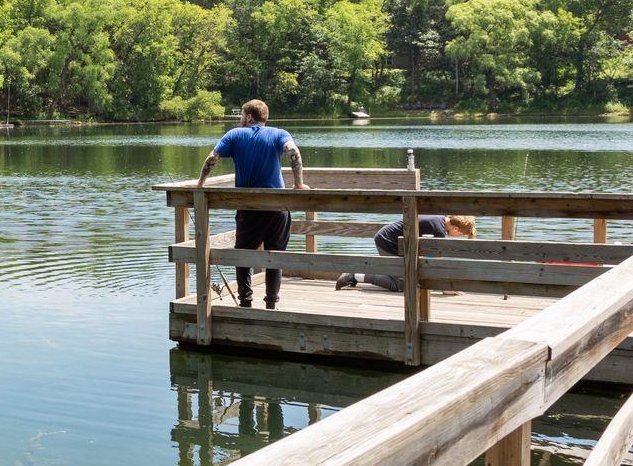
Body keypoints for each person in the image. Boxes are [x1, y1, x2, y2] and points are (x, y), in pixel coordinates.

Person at [196, 99, 306, 309]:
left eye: (241, 116)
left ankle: (245, 301)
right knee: (276, 256)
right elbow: (293, 151)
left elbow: (212, 158)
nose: (239, 119)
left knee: (242, 255)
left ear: (248, 117)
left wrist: (201, 184)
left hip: (249, 208)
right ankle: (271, 304)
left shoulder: (235, 135)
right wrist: (299, 184)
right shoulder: (279, 133)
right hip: (277, 207)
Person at [336, 214, 476, 291]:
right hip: (388, 243)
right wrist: (446, 288)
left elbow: (428, 257)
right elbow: (433, 263)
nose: (459, 237)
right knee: (401, 285)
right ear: (457, 229)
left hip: (392, 242)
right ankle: (355, 275)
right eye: (461, 235)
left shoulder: (439, 221)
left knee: (408, 278)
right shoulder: (439, 231)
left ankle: (380, 271)